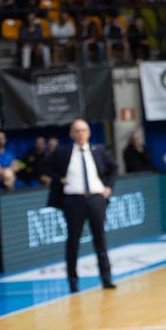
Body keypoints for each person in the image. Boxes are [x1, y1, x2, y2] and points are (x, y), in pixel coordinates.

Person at [41, 118, 117, 293]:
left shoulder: (98, 151)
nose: (80, 133)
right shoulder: (63, 152)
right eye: (77, 130)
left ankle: (106, 279)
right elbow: (43, 165)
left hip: (96, 200)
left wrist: (108, 187)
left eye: (83, 130)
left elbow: (114, 167)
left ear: (89, 133)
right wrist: (58, 179)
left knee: (100, 240)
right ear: (71, 133)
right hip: (74, 201)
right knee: (73, 242)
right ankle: (73, 282)